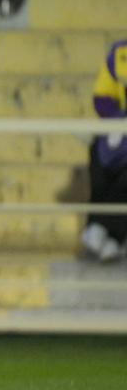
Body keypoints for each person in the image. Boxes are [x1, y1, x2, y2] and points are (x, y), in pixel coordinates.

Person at [81, 40, 127, 262]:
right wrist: (120, 118)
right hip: (118, 133)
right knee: (98, 162)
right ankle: (104, 235)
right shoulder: (119, 54)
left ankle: (105, 232)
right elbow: (101, 98)